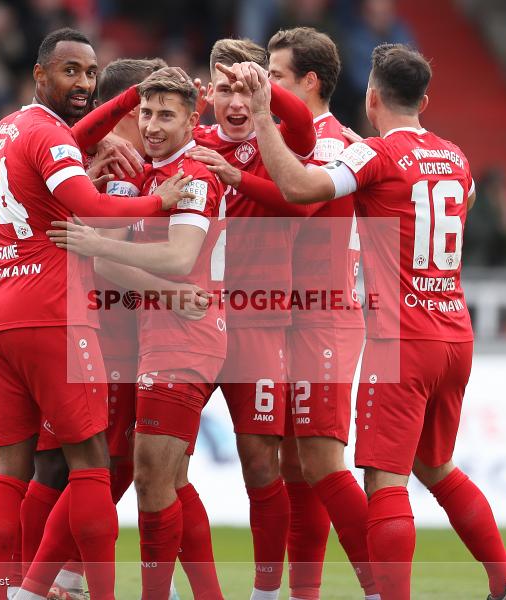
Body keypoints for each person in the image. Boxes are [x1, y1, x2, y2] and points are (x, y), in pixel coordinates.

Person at [228, 44, 506, 600]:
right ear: (423, 101)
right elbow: (456, 204)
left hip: (403, 338)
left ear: (371, 99)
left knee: (385, 480)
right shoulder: (455, 157)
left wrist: (265, 119)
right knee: (435, 466)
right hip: (455, 331)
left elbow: (299, 189)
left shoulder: (374, 154)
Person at [71, 38, 317, 600]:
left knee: (260, 464)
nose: (236, 100)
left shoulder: (276, 142)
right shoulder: (186, 146)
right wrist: (106, 144)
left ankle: (266, 592)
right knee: (160, 469)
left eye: (245, 89)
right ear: (206, 98)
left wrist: (261, 102)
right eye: (225, 88)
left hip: (251, 322)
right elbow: (138, 139)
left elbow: (302, 197)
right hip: (178, 320)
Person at [0, 28, 191, 600]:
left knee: (9, 472)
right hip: (51, 310)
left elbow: (62, 162)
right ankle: (94, 590)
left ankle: (7, 592)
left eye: (91, 74)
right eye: (70, 71)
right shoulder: (50, 136)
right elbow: (90, 205)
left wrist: (129, 96)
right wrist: (160, 202)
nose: (83, 83)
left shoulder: (4, 131)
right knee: (92, 464)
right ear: (39, 73)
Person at [188, 27, 375, 600]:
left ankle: (383, 586)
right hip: (282, 315)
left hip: (322, 316)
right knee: (296, 469)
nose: (262, 87)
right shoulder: (292, 137)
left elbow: (302, 203)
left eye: (273, 77)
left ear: (307, 82)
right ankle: (302, 593)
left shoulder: (331, 140)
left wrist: (237, 173)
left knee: (320, 463)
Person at [49, 68, 227, 600]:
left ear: (191, 121)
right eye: (146, 113)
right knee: (164, 479)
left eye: (166, 115)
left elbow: (180, 256)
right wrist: (165, 292)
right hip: (160, 334)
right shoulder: (153, 176)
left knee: (149, 477)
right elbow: (109, 268)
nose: (152, 125)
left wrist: (96, 244)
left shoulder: (192, 176)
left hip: (188, 339)